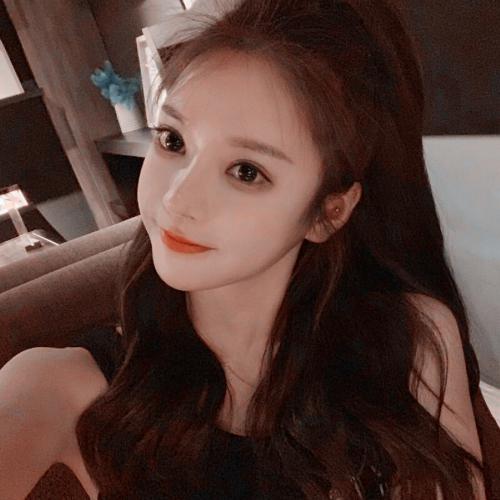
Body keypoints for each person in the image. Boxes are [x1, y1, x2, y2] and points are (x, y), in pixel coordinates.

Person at [0, 0, 492, 498]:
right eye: (173, 141)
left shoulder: (410, 341)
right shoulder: (61, 385)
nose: (177, 199)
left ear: (328, 213)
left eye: (246, 172)